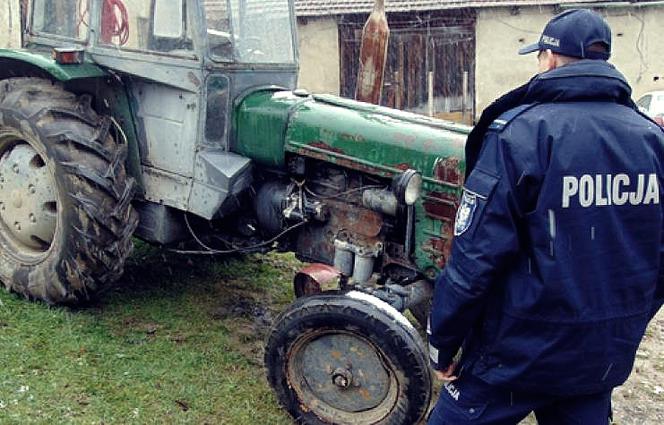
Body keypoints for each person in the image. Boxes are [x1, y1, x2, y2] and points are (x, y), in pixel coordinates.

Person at [427, 9, 664, 425]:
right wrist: (620, 326)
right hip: (598, 357)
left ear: (551, 59)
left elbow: (474, 260)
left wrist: (443, 343)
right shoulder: (652, 141)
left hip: (515, 356)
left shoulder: (521, 133)